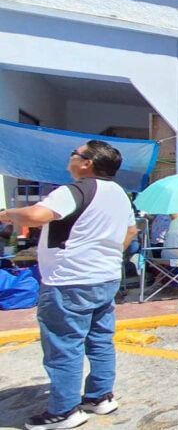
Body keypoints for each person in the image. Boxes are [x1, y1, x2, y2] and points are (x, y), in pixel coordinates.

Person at [0, 141, 136, 429]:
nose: (71, 158)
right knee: (99, 339)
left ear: (87, 163)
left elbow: (37, 216)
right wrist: (109, 256)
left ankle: (64, 410)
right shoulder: (120, 195)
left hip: (69, 280)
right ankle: (100, 396)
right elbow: (131, 230)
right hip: (105, 277)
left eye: (75, 154)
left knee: (64, 345)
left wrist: (9, 214)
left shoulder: (73, 191)